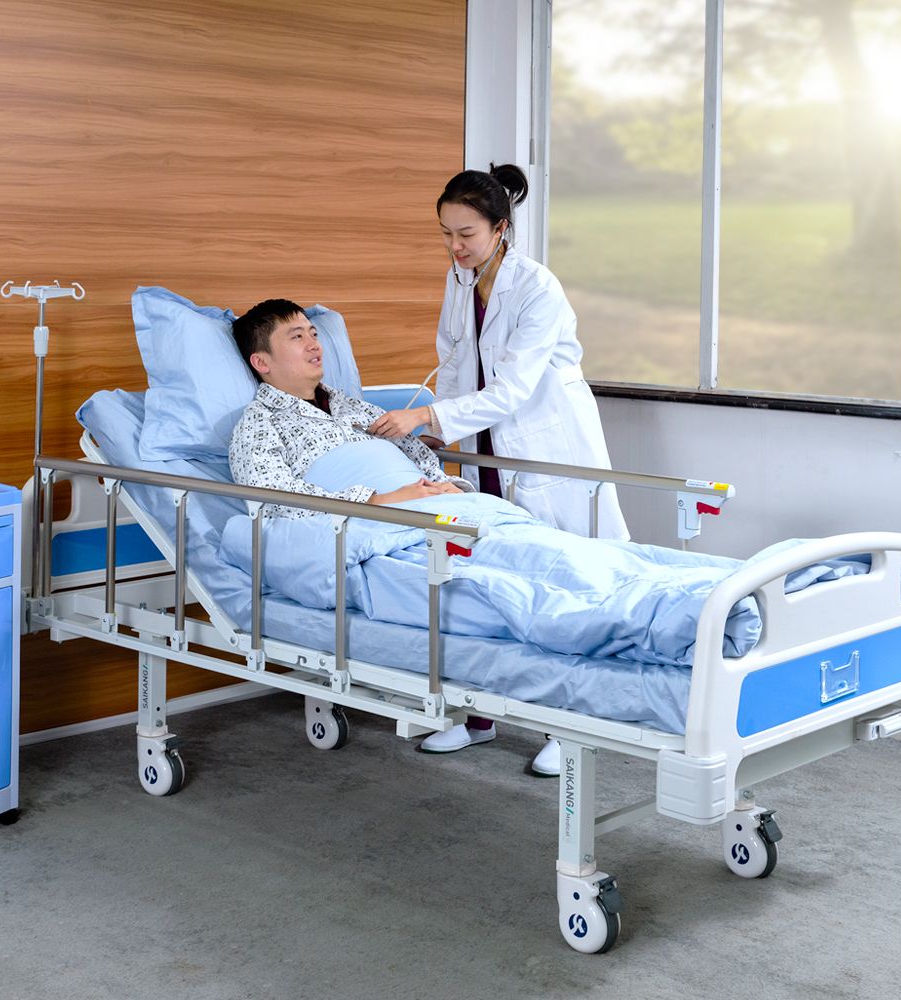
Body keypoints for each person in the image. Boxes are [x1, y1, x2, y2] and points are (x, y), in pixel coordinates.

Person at [366, 164, 629, 774]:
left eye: (467, 234)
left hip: (546, 446)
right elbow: (454, 361)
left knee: (560, 579)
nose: (455, 247)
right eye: (446, 234)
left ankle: (567, 727)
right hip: (485, 442)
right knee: (489, 576)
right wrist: (438, 435)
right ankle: (480, 716)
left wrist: (426, 416)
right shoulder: (460, 279)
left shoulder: (537, 288)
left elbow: (513, 389)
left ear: (500, 229)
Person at [228, 299, 470, 519]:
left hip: (439, 509)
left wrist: (449, 487)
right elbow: (272, 501)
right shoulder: (259, 423)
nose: (314, 345)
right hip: (366, 526)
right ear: (261, 362)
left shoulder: (357, 408)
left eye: (314, 334)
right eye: (298, 337)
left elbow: (421, 460)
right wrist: (378, 502)